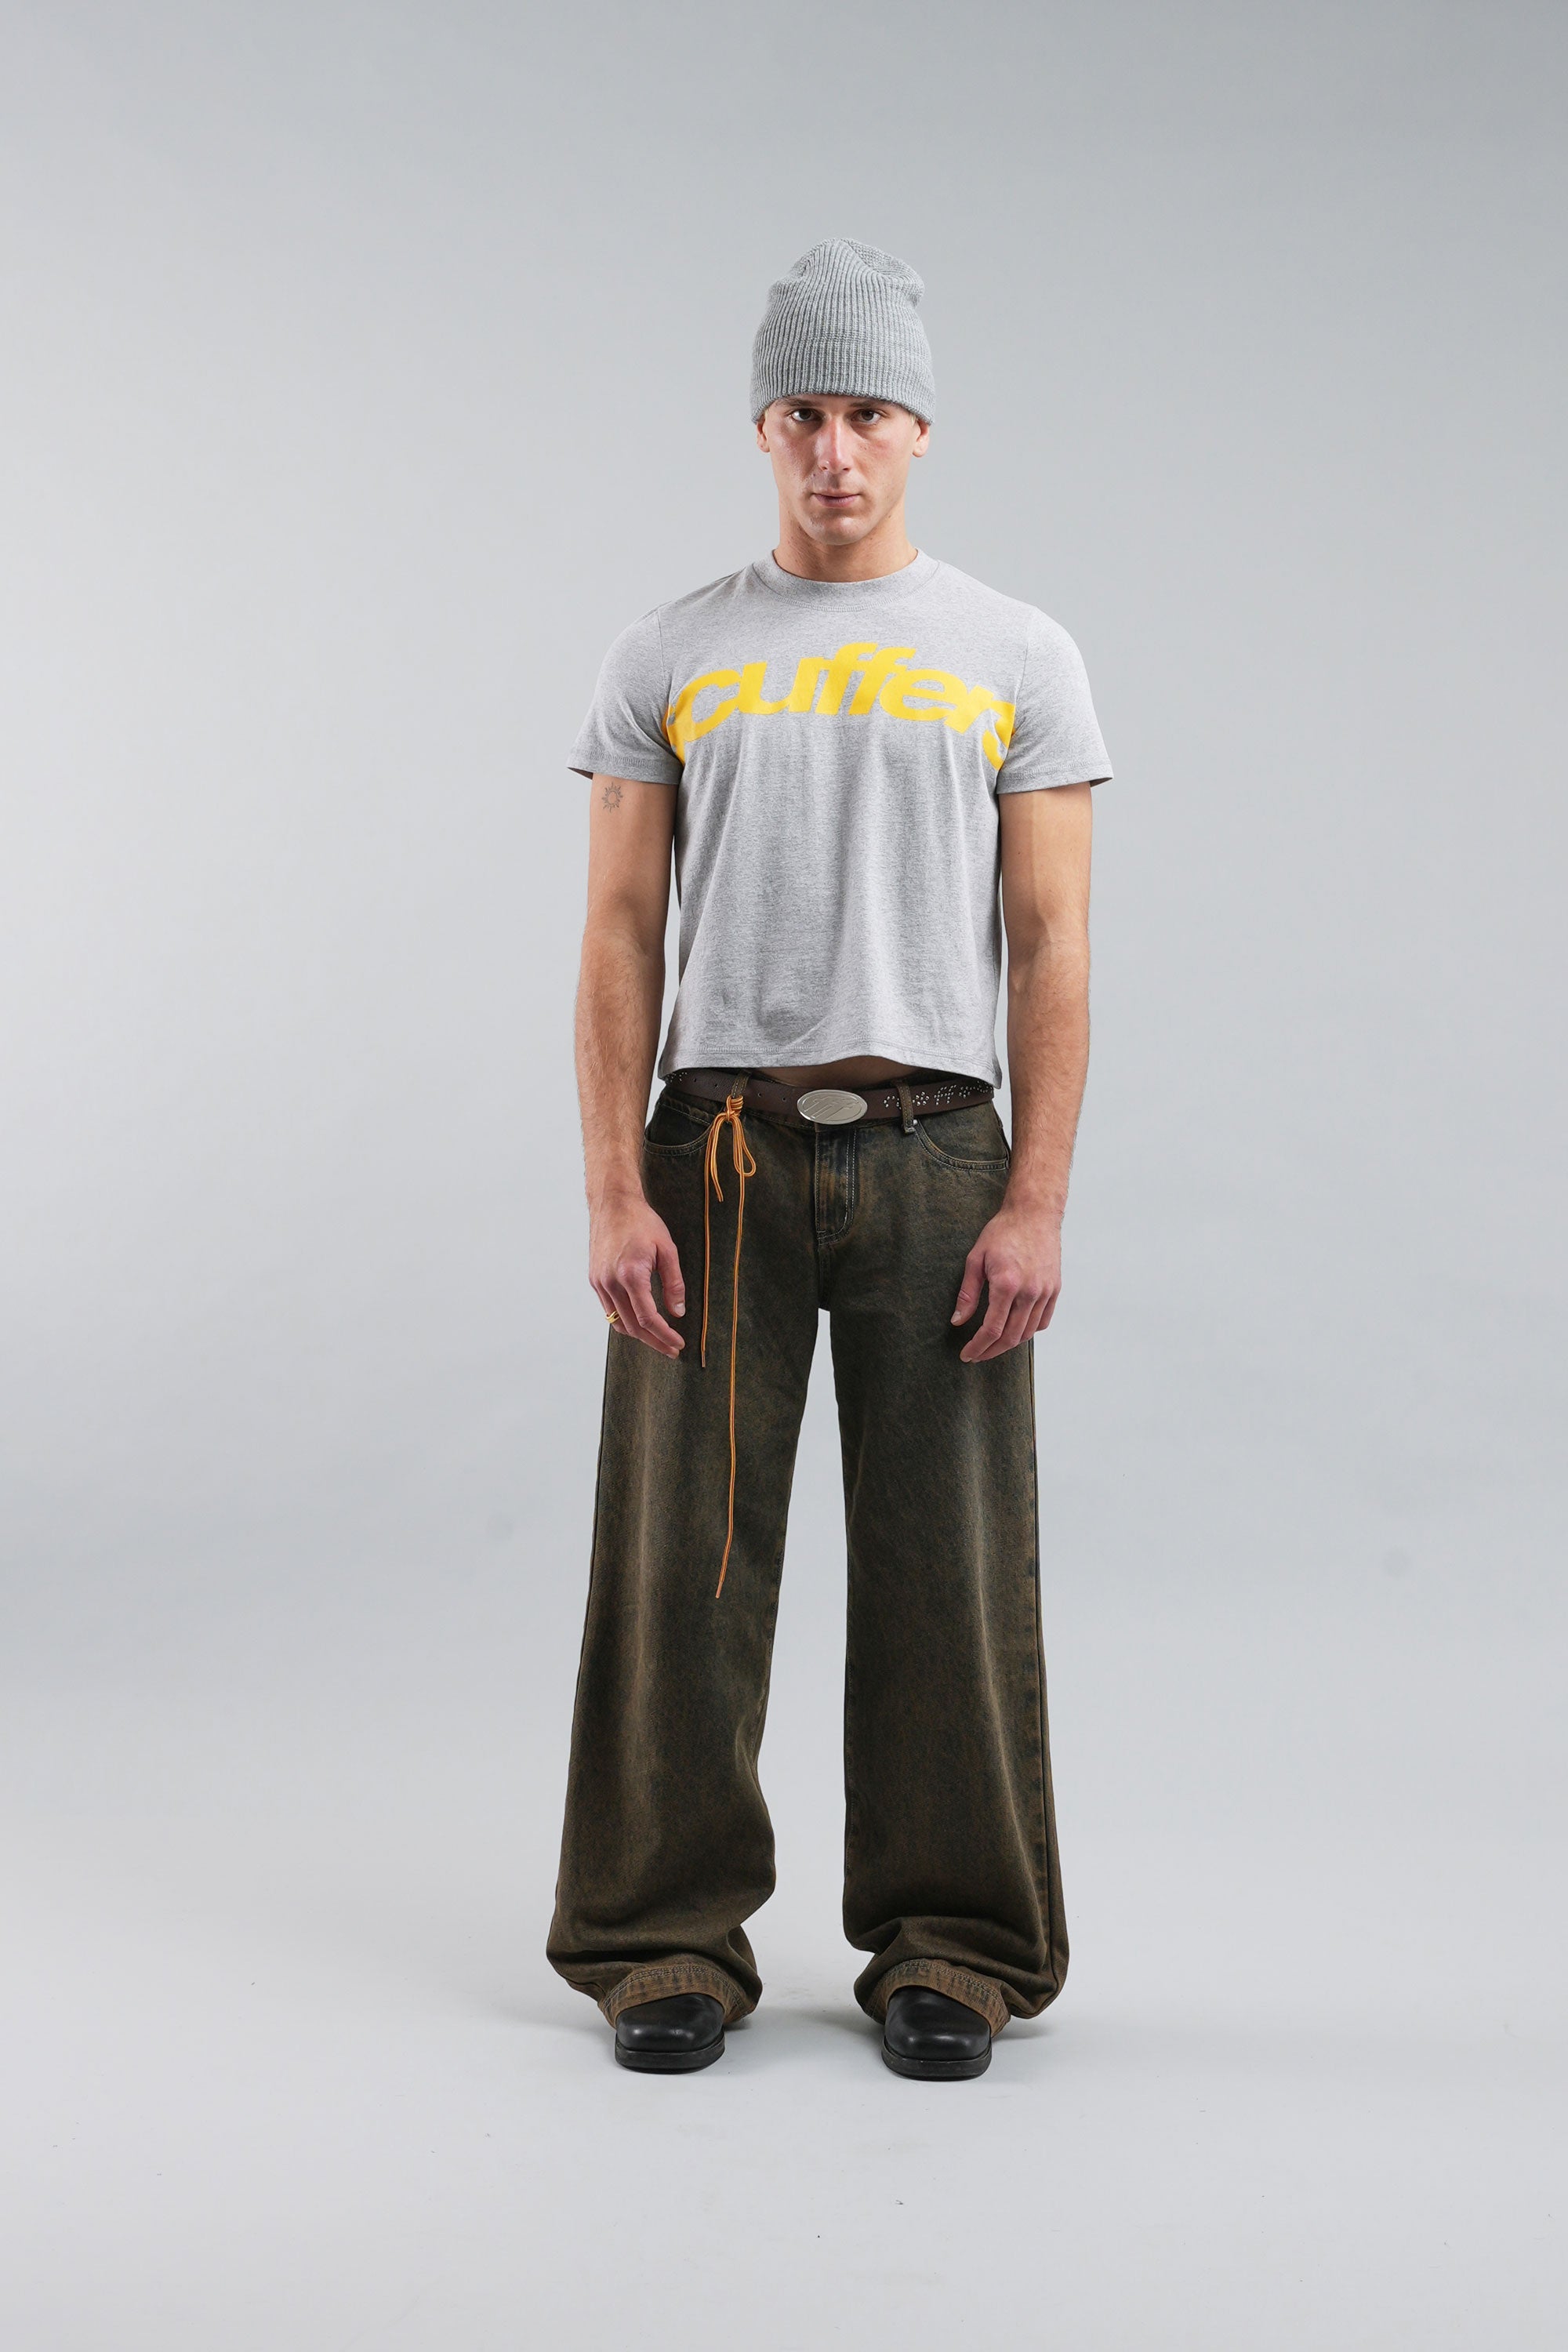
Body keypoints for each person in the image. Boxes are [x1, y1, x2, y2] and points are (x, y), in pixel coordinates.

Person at [546, 238, 1112, 2079]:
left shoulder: (1014, 653)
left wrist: (1035, 1197)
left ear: (921, 428)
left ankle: (958, 1946)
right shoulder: (673, 649)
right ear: (761, 429)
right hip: (713, 1152)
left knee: (949, 1565)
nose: (834, 449)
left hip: (939, 1153)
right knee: (682, 1563)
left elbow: (1051, 943)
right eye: (801, 412)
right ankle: (659, 1941)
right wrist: (611, 1184)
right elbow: (619, 931)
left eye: (867, 411)